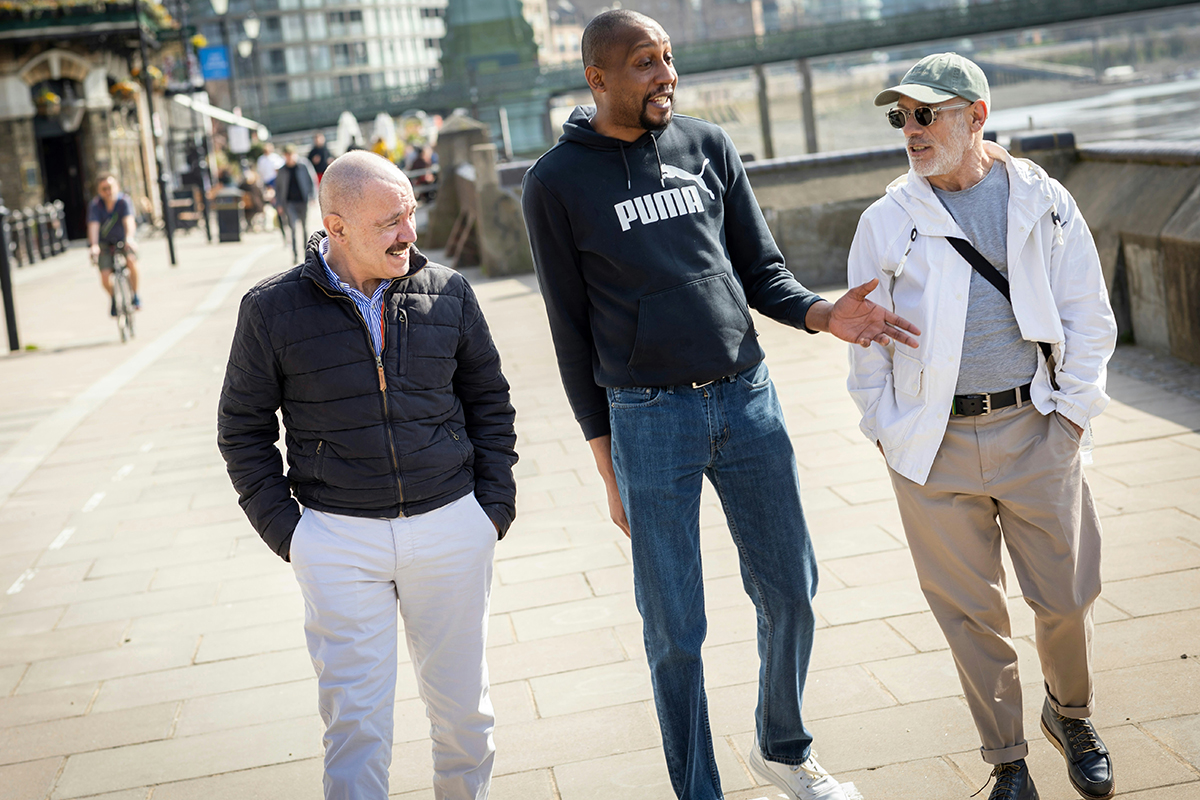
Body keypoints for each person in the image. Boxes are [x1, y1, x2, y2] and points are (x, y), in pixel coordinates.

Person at [520, 10, 919, 800]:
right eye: (644, 63)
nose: (665, 74)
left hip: (748, 402)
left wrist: (825, 314)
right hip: (647, 418)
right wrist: (607, 467)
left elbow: (762, 272)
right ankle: (697, 788)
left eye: (668, 58)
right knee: (675, 632)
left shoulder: (708, 147)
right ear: (598, 79)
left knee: (791, 588)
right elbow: (570, 337)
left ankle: (784, 746)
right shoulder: (555, 183)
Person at [846, 54, 1117, 800]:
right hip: (931, 452)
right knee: (971, 617)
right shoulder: (886, 220)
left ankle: (1072, 713)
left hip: (1036, 427)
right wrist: (887, 432)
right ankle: (1008, 761)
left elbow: (1087, 314)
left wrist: (1069, 418)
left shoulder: (1043, 198)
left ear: (977, 116)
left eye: (926, 113)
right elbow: (864, 343)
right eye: (900, 116)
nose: (911, 129)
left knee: (1065, 597)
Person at [217, 151, 517, 800]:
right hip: (339, 540)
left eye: (410, 213)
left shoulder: (449, 292)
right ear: (337, 225)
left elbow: (490, 402)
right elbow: (242, 430)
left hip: (450, 526)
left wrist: (489, 511)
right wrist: (293, 535)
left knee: (467, 718)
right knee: (355, 731)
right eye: (389, 221)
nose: (409, 232)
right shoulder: (271, 310)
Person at [87, 174, 140, 315]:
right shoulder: (96, 205)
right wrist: (94, 245)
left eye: (110, 187)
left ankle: (135, 295)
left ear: (117, 187)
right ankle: (113, 298)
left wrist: (130, 238)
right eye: (104, 189)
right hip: (104, 243)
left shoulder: (124, 201)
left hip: (123, 240)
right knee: (104, 276)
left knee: (131, 261)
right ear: (99, 191)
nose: (108, 192)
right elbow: (94, 226)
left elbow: (129, 221)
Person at [275, 144, 319, 260]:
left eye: (290, 155)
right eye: (286, 155)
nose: (289, 158)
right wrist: (279, 204)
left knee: (304, 227)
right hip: (289, 203)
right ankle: (295, 254)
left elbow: (312, 180)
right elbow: (278, 188)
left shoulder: (303, 165)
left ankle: (307, 253)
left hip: (303, 201)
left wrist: (313, 196)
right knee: (293, 228)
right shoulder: (282, 170)